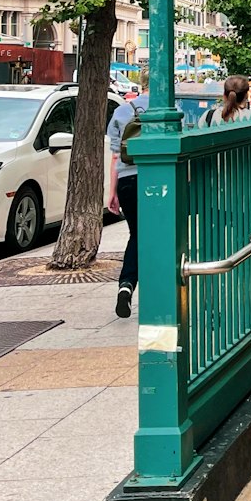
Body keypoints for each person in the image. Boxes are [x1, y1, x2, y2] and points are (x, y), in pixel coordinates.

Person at [107, 74, 149, 319]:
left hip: (126, 181)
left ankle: (126, 284)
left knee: (137, 234)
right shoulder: (171, 109)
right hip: (156, 180)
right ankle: (155, 285)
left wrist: (112, 192)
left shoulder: (122, 112)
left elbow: (115, 156)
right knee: (158, 235)